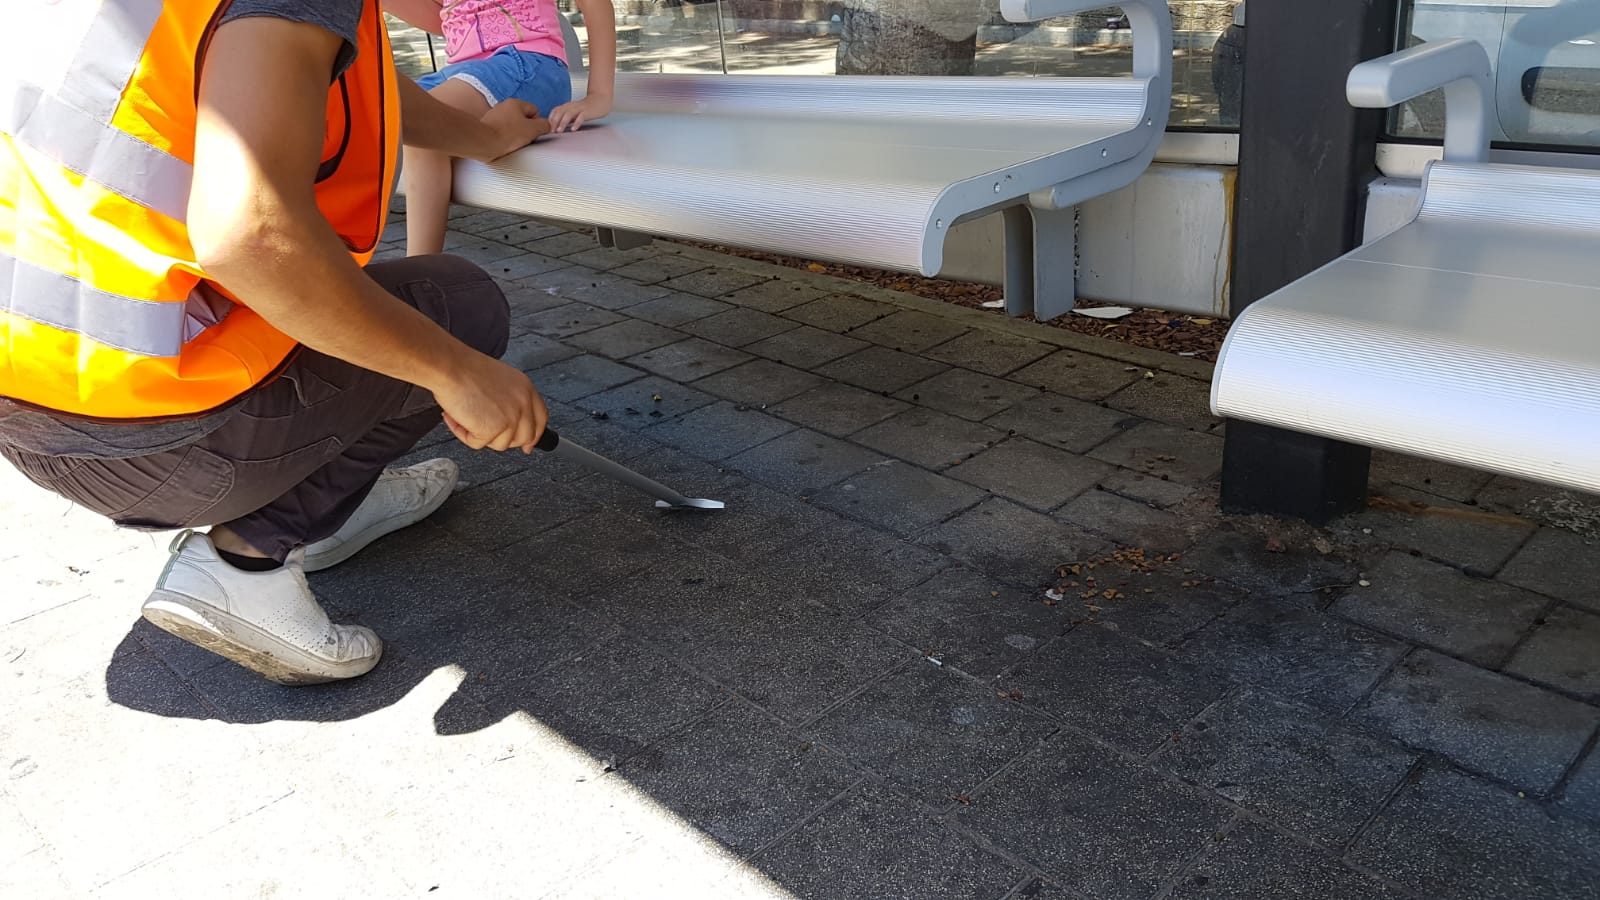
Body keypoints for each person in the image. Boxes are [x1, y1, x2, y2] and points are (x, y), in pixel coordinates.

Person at [0, 0, 554, 685]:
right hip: (164, 440)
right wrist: (456, 371)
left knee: (373, 306)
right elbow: (253, 238)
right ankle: (247, 561)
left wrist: (480, 135)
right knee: (456, 307)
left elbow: (345, 72)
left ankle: (336, 498)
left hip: (36, 418)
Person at [386, 0, 620, 256]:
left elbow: (595, 4)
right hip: (462, 69)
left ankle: (421, 269)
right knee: (384, 118)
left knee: (425, 126)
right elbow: (447, 17)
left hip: (528, 62)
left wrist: (599, 95)